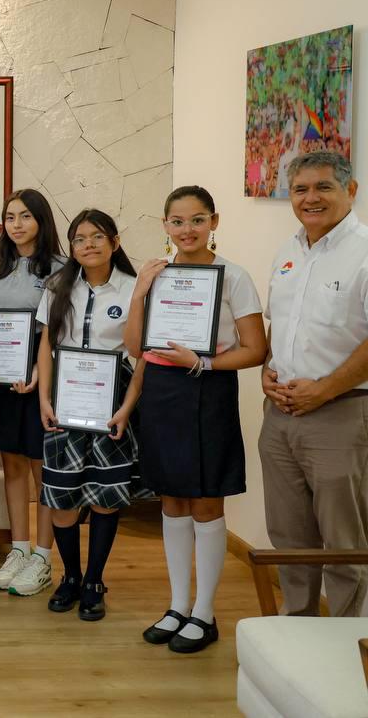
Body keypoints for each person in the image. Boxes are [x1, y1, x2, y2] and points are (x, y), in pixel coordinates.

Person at [124, 186, 265, 653]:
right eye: (178, 221)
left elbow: (255, 349)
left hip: (209, 387)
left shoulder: (234, 276)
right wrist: (140, 291)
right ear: (165, 225)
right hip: (162, 392)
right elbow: (134, 346)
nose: (188, 230)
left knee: (205, 501)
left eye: (198, 220)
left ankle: (204, 612)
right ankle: (177, 605)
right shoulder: (156, 273)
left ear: (214, 222)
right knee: (172, 500)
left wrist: (202, 362)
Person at [259, 150, 368, 617]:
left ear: (351, 191)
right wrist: (267, 370)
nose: (310, 198)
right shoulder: (288, 251)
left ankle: (348, 642)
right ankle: (296, 629)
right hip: (280, 416)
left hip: (341, 415)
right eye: (300, 189)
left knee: (345, 542)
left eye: (323, 187)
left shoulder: (363, 252)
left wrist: (324, 389)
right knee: (289, 537)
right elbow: (280, 323)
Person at [36, 208, 146, 623]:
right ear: (71, 247)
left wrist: (127, 408)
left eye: (98, 237)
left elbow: (143, 355)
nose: (89, 245)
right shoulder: (57, 286)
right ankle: (70, 576)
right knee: (62, 498)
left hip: (113, 400)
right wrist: (44, 400)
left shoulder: (135, 288)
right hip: (65, 399)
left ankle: (94, 581)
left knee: (105, 497)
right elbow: (46, 345)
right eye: (80, 239)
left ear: (115, 242)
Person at [0, 190, 66, 598]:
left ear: (41, 220)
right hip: (4, 382)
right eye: (10, 217)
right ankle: (19, 549)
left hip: (42, 380)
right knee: (12, 466)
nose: (17, 224)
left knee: (43, 471)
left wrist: (40, 374)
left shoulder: (61, 269)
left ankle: (42, 557)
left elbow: (58, 333)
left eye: (26, 216)